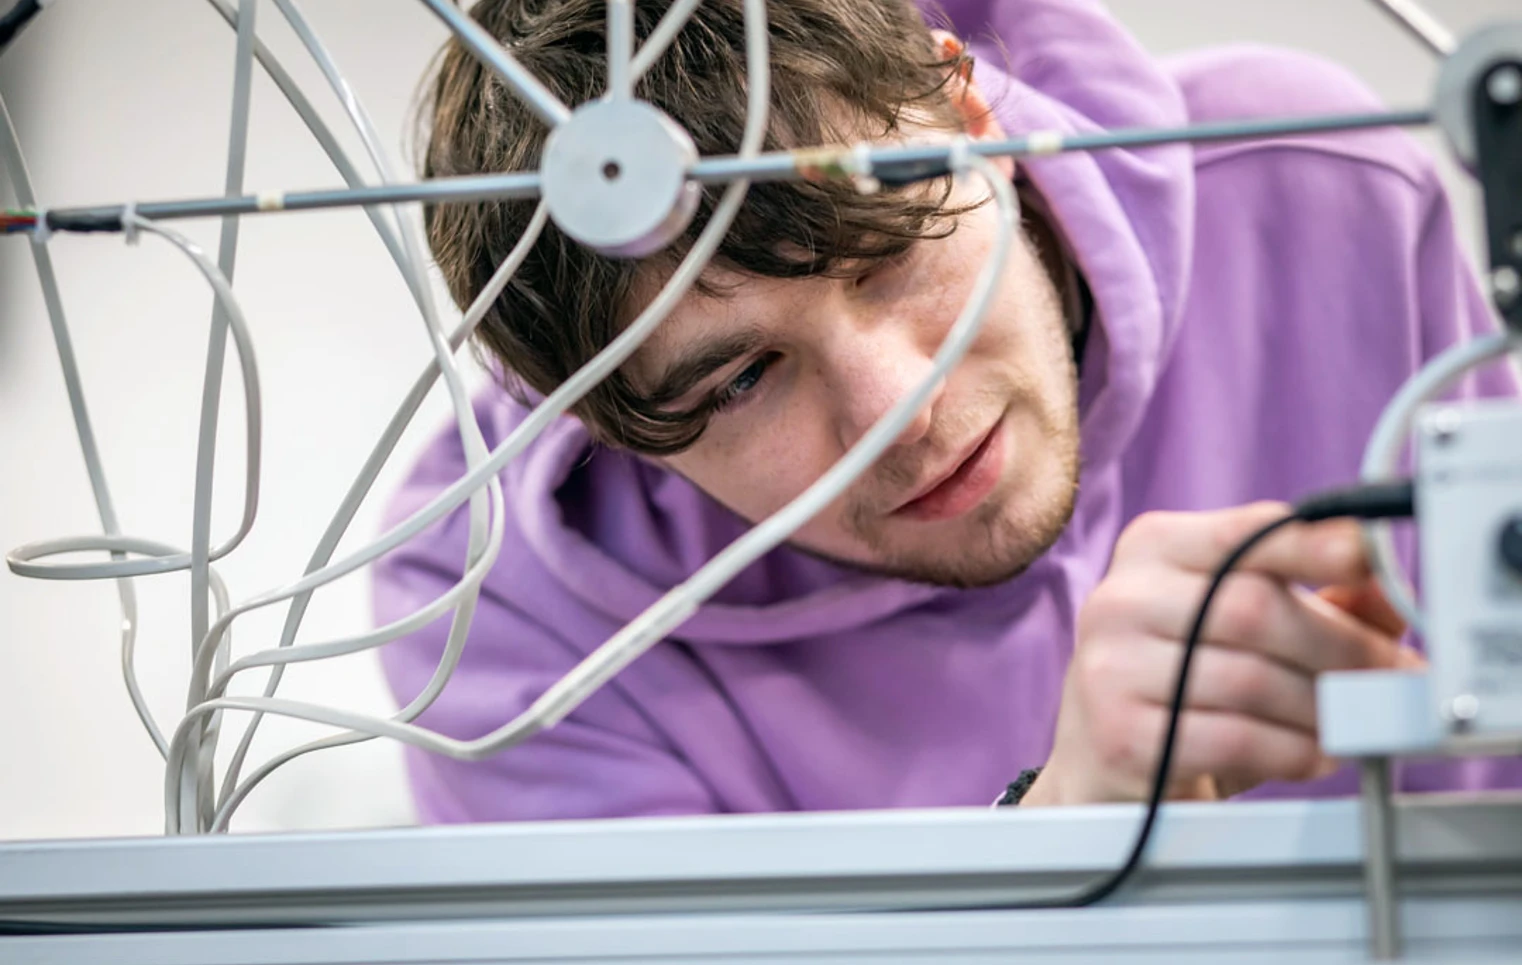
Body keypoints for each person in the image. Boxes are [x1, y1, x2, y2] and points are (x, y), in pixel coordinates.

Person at [375, 0, 1520, 822]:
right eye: (739, 380)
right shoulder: (484, 596)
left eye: (887, 252)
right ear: (613, 429)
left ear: (974, 116)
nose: (896, 411)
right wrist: (1057, 839)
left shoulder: (1316, 183)